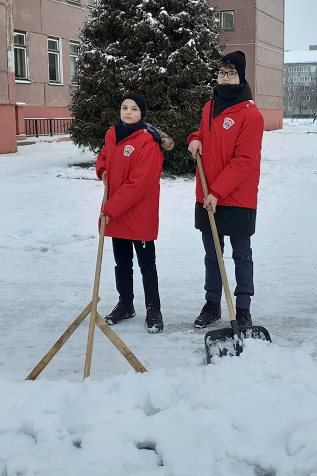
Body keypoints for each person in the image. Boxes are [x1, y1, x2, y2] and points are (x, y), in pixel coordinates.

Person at [187, 51, 264, 328]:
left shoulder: (251, 115)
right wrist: (194, 139)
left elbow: (244, 160)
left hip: (236, 197)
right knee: (212, 255)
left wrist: (217, 192)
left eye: (231, 73)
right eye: (221, 72)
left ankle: (243, 307)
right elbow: (203, 133)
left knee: (241, 254)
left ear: (241, 76)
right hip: (207, 193)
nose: (225, 78)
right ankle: (212, 304)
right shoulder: (210, 107)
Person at [96, 93, 173, 333]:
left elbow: (139, 184)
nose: (128, 112)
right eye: (124, 107)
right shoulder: (113, 133)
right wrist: (102, 170)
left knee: (146, 264)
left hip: (138, 213)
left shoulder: (148, 142)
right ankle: (126, 304)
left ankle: (153, 310)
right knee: (122, 263)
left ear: (142, 114)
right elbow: (105, 156)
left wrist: (110, 207)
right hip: (117, 213)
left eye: (134, 109)